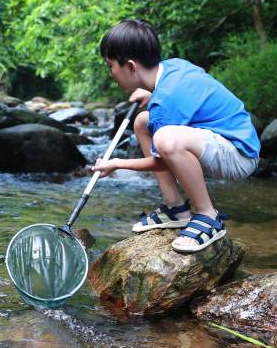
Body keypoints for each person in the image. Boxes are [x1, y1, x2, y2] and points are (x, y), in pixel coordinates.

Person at [92, 19, 261, 253]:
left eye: (110, 65)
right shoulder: (174, 67)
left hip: (239, 155)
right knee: (142, 121)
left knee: (165, 139)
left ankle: (208, 216)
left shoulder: (166, 103)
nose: (111, 72)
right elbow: (189, 88)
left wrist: (118, 164)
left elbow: (162, 160)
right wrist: (148, 90)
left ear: (131, 66)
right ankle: (176, 208)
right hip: (227, 141)